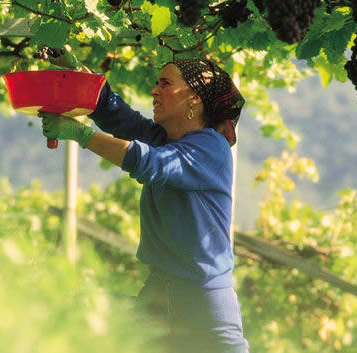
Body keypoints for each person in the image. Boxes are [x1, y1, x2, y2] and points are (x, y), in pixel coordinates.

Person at [39, 59, 249, 353]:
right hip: (158, 294)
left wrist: (80, 134)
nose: (154, 90)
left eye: (166, 83)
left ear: (194, 97)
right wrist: (82, 79)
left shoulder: (210, 148)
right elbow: (122, 120)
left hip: (202, 305)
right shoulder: (167, 140)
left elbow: (149, 162)